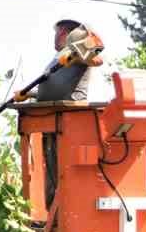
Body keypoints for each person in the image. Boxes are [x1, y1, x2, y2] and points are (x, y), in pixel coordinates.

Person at [37, 19, 104, 210]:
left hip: (70, 122)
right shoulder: (56, 58)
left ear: (64, 33)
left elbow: (97, 58)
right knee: (52, 173)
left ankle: (67, 215)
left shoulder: (77, 49)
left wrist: (77, 55)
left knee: (65, 174)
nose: (56, 37)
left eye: (58, 32)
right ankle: (54, 217)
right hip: (50, 120)